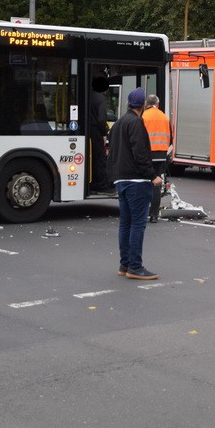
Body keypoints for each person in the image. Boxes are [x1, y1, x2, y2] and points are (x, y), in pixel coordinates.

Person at [107, 87, 164, 280]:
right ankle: (135, 267)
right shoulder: (136, 123)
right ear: (143, 106)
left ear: (128, 104)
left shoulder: (118, 124)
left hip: (121, 179)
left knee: (125, 224)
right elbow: (140, 154)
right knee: (138, 224)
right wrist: (152, 176)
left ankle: (124, 265)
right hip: (136, 181)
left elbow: (111, 152)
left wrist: (113, 175)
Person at [142, 94, 172, 223]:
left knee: (143, 183)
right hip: (161, 155)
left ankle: (142, 213)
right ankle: (154, 215)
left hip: (147, 155)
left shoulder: (143, 117)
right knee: (156, 183)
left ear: (146, 104)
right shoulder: (164, 117)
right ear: (157, 104)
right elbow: (170, 138)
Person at [88, 76, 111, 193]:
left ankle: (91, 183)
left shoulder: (87, 95)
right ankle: (101, 185)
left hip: (87, 131)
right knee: (99, 158)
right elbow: (102, 119)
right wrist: (104, 133)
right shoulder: (101, 98)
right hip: (96, 131)